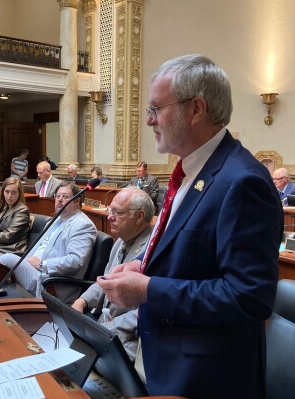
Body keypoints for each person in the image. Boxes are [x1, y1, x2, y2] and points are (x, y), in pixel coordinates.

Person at [96, 54, 283, 398]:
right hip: (164, 359)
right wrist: (144, 266)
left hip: (206, 379)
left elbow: (250, 297)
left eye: (156, 109)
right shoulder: (189, 170)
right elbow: (191, 259)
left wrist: (149, 289)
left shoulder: (243, 181)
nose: (150, 121)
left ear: (196, 109)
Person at [72, 188, 154, 362]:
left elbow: (151, 308)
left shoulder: (152, 251)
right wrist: (82, 301)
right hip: (103, 326)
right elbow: (105, 279)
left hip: (129, 341)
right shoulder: (119, 242)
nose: (110, 217)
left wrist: (111, 328)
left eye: (118, 212)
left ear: (139, 217)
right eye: (110, 210)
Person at [0, 182, 97, 303]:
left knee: (6, 259)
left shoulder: (83, 224)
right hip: (34, 270)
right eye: (57, 196)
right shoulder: (55, 220)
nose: (59, 200)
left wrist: (42, 264)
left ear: (77, 201)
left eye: (65, 197)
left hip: (50, 282)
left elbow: (75, 261)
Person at [0, 177, 30, 259]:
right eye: (7, 192)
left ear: (19, 193)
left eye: (14, 192)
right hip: (0, 247)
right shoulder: (5, 208)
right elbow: (0, 233)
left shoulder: (23, 210)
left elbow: (10, 235)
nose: (9, 196)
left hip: (12, 251)